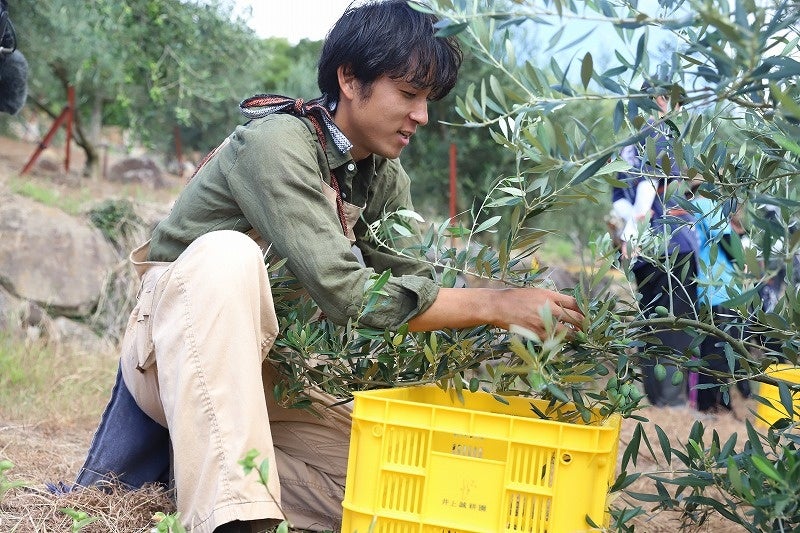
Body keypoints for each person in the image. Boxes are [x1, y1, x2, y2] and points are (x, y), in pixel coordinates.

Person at [75, 2, 585, 532]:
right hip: (176, 355)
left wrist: (507, 328)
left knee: (393, 475)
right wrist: (493, 307)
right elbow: (350, 294)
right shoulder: (274, 144)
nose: (422, 117)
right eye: (409, 94)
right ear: (349, 78)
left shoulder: (383, 175)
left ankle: (188, 487)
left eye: (427, 100)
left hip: (277, 374)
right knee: (228, 255)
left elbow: (414, 286)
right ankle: (233, 519)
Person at [611, 80, 699, 407]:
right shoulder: (659, 132)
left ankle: (657, 397)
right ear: (660, 100)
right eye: (676, 103)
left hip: (646, 250)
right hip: (672, 243)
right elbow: (649, 187)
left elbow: (618, 199)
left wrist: (630, 238)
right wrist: (638, 229)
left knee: (653, 319)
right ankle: (671, 402)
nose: (679, 110)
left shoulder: (627, 142)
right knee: (677, 323)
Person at [690, 185, 750, 411]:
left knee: (715, 349)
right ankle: (709, 405)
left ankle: (716, 404)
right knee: (719, 351)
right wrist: (743, 261)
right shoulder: (706, 204)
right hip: (719, 290)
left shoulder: (695, 206)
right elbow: (726, 238)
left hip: (710, 290)